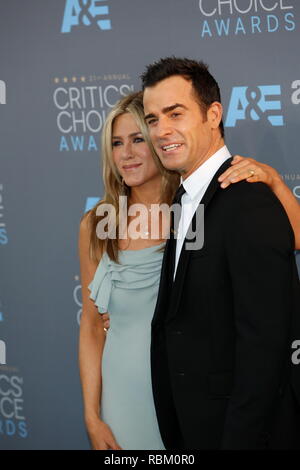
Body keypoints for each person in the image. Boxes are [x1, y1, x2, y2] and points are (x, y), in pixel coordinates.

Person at [78, 90, 300, 450]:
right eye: (117, 143)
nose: (126, 153)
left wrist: (273, 180)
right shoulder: (98, 223)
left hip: (185, 395)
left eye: (138, 139)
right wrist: (92, 415)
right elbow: (91, 325)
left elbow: (293, 237)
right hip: (120, 398)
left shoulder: (193, 211)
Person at [141, 57, 300, 450]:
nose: (161, 131)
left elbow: (265, 347)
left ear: (213, 114)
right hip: (191, 425)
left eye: (175, 113)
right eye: (152, 118)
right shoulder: (182, 199)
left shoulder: (248, 201)